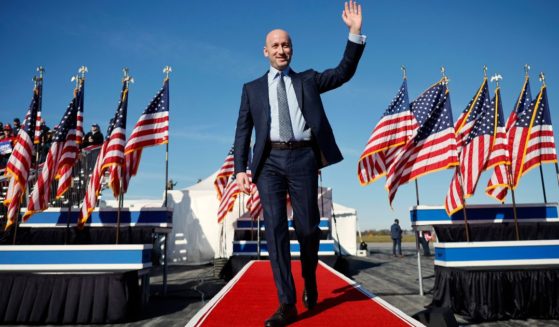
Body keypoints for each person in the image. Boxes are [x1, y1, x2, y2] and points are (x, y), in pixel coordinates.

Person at [233, 2, 365, 326]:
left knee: (307, 228)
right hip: (268, 164)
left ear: (292, 49)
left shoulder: (307, 80)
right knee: (275, 229)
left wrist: (354, 33)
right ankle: (286, 303)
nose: (282, 49)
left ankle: (310, 277)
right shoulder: (251, 89)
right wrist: (240, 169)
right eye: (275, 45)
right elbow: (243, 131)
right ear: (265, 51)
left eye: (286, 44)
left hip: (304, 158)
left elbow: (342, 72)